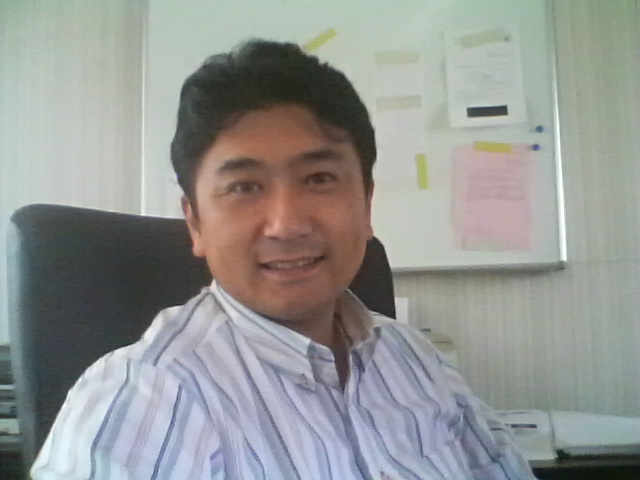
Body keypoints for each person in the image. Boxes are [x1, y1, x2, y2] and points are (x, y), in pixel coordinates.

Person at [31, 39, 536, 480]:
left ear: (366, 206)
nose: (286, 224)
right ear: (196, 223)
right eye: (244, 187)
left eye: (319, 178)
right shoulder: (147, 396)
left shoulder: (415, 359)